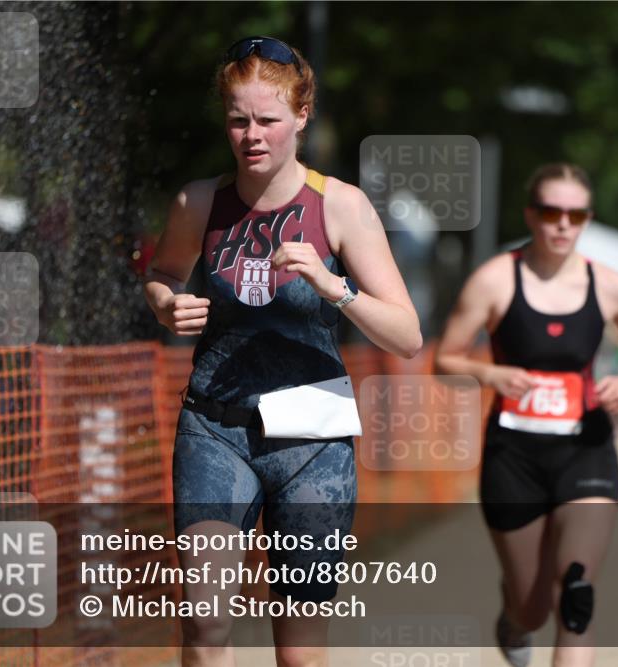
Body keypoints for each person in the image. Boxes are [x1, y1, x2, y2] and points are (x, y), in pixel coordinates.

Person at [143, 36, 421, 667]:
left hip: (312, 436)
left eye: (267, 119)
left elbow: (407, 336)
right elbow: (163, 273)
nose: (251, 136)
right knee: (206, 623)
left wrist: (333, 286)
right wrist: (164, 302)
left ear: (301, 115)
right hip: (216, 428)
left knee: (298, 652)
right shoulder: (198, 202)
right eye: (237, 120)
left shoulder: (341, 206)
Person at [434, 163, 618, 667]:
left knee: (575, 595)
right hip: (514, 457)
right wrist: (491, 374)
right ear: (530, 214)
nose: (563, 224)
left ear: (587, 219)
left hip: (586, 449)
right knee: (533, 607)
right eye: (551, 212)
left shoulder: (613, 287)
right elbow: (444, 359)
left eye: (575, 214)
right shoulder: (494, 281)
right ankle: (513, 617)